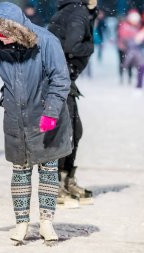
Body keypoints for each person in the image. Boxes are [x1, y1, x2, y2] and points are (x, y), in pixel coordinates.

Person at [0, 2, 72, 246]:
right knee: (20, 171)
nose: (1, 37)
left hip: (46, 117)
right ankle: (21, 222)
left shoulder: (46, 42)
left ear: (19, 28)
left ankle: (46, 221)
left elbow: (60, 79)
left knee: (48, 171)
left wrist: (51, 112)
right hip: (16, 118)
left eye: (6, 31)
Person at [47, 0, 97, 208]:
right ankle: (55, 184)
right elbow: (72, 46)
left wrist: (91, 12)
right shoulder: (77, 12)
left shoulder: (73, 10)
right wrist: (91, 46)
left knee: (74, 131)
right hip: (60, 78)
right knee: (67, 132)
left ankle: (66, 178)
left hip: (61, 77)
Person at [117, 10, 141, 84]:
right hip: (123, 47)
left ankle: (129, 78)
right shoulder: (125, 25)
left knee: (129, 62)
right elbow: (122, 35)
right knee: (122, 62)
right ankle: (122, 77)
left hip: (128, 48)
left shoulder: (136, 26)